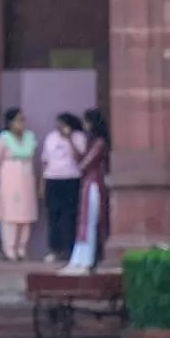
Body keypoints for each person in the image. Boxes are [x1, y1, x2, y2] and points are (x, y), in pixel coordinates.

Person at [60, 108, 111, 275]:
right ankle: (79, 259)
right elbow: (80, 160)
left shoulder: (100, 143)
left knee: (89, 223)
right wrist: (70, 141)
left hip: (94, 184)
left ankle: (87, 260)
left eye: (86, 122)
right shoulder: (92, 142)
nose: (84, 125)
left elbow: (84, 164)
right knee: (84, 223)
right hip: (88, 184)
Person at [0, 107, 38, 261]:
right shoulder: (3, 139)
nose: (21, 123)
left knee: (26, 215)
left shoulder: (30, 137)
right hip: (9, 179)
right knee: (10, 215)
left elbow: (32, 157)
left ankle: (22, 248)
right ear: (9, 122)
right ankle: (10, 249)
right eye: (18, 120)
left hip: (27, 179)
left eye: (23, 120)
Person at [40, 112, 87, 262]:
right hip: (52, 179)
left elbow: (80, 158)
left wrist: (70, 139)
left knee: (69, 215)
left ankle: (70, 249)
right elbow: (45, 161)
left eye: (62, 125)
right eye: (58, 125)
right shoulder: (51, 137)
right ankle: (55, 249)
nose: (59, 128)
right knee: (53, 215)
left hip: (71, 178)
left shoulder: (79, 137)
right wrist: (42, 184)